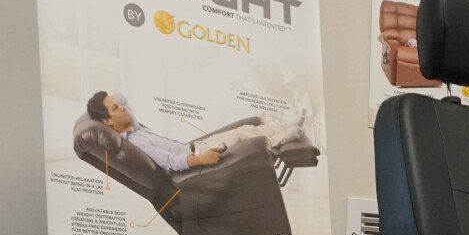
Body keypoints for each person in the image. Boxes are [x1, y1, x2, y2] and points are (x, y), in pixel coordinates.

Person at [86, 91, 306, 173]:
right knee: (241, 137)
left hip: (194, 144)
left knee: (245, 128)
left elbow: (121, 96)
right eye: (115, 108)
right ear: (107, 121)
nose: (122, 107)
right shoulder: (136, 142)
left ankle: (286, 125)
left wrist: (110, 103)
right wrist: (201, 160)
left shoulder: (130, 123)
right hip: (197, 152)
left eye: (118, 104)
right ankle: (284, 137)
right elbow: (170, 162)